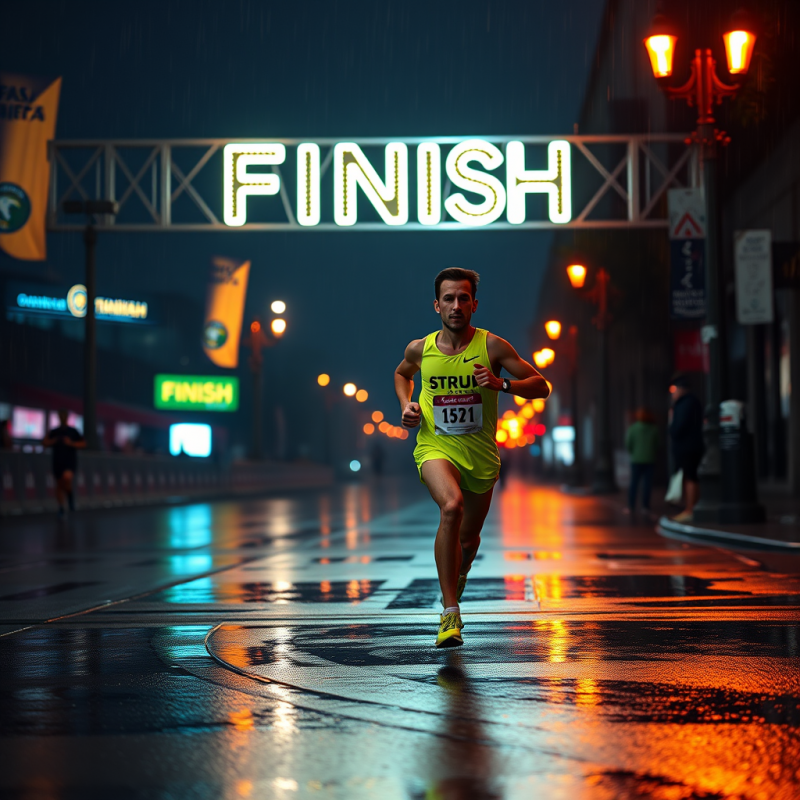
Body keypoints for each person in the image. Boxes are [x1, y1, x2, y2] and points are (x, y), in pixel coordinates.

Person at [394, 268, 549, 648]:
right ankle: (450, 612)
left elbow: (541, 386)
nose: (456, 305)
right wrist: (406, 405)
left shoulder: (492, 346)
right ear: (436, 305)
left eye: (463, 298)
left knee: (468, 539)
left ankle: (459, 571)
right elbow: (402, 374)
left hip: (480, 456)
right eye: (448, 298)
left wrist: (502, 384)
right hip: (435, 447)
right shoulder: (420, 349)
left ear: (474, 304)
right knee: (451, 507)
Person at [668, 374, 704, 523]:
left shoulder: (684, 404)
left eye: (673, 389)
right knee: (691, 476)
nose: (672, 393)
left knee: (690, 477)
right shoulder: (693, 402)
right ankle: (692, 508)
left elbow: (677, 428)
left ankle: (690, 509)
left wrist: (671, 421)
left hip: (687, 447)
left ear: (681, 389)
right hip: (693, 445)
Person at [42, 409, 86, 517]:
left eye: (64, 415)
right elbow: (44, 442)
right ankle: (61, 507)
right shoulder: (54, 431)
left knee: (67, 480)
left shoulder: (73, 431)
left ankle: (70, 497)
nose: (62, 417)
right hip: (57, 461)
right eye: (60, 415)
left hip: (69, 461)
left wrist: (71, 443)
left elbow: (83, 444)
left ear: (67, 417)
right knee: (59, 484)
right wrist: (54, 441)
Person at [624, 408, 658, 517]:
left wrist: (633, 453)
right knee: (647, 484)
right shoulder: (653, 429)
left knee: (634, 483)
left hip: (636, 459)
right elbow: (657, 444)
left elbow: (628, 443)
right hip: (649, 459)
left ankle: (631, 506)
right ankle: (645, 507)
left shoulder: (633, 428)